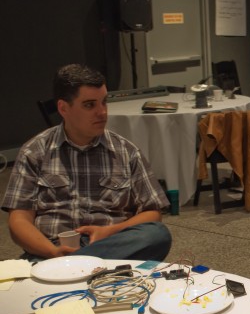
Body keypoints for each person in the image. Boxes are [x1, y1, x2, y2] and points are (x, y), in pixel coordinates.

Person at [2, 64, 172, 261]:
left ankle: (73, 267)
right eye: (90, 105)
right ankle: (78, 266)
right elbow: (19, 221)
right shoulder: (34, 151)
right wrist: (52, 252)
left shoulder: (126, 151)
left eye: (104, 102)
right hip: (52, 249)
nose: (102, 112)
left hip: (111, 246)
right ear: (64, 108)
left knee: (158, 234)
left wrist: (110, 231)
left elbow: (152, 213)